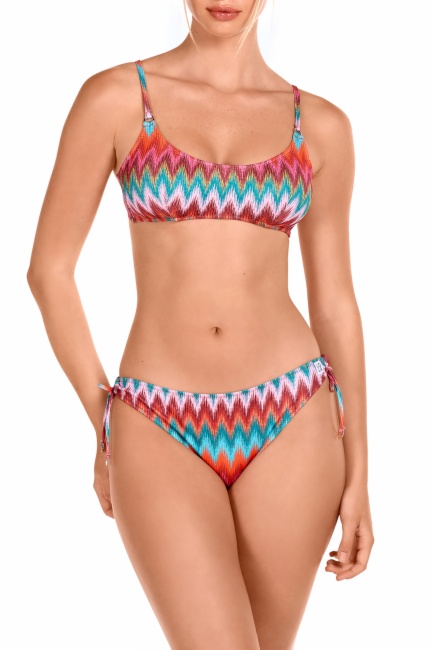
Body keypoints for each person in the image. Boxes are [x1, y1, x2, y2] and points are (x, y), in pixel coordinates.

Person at [27, 0, 374, 647]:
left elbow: (334, 303)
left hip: (292, 414)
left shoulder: (321, 125)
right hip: (157, 418)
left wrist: (360, 475)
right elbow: (49, 271)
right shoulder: (116, 99)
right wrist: (103, 415)